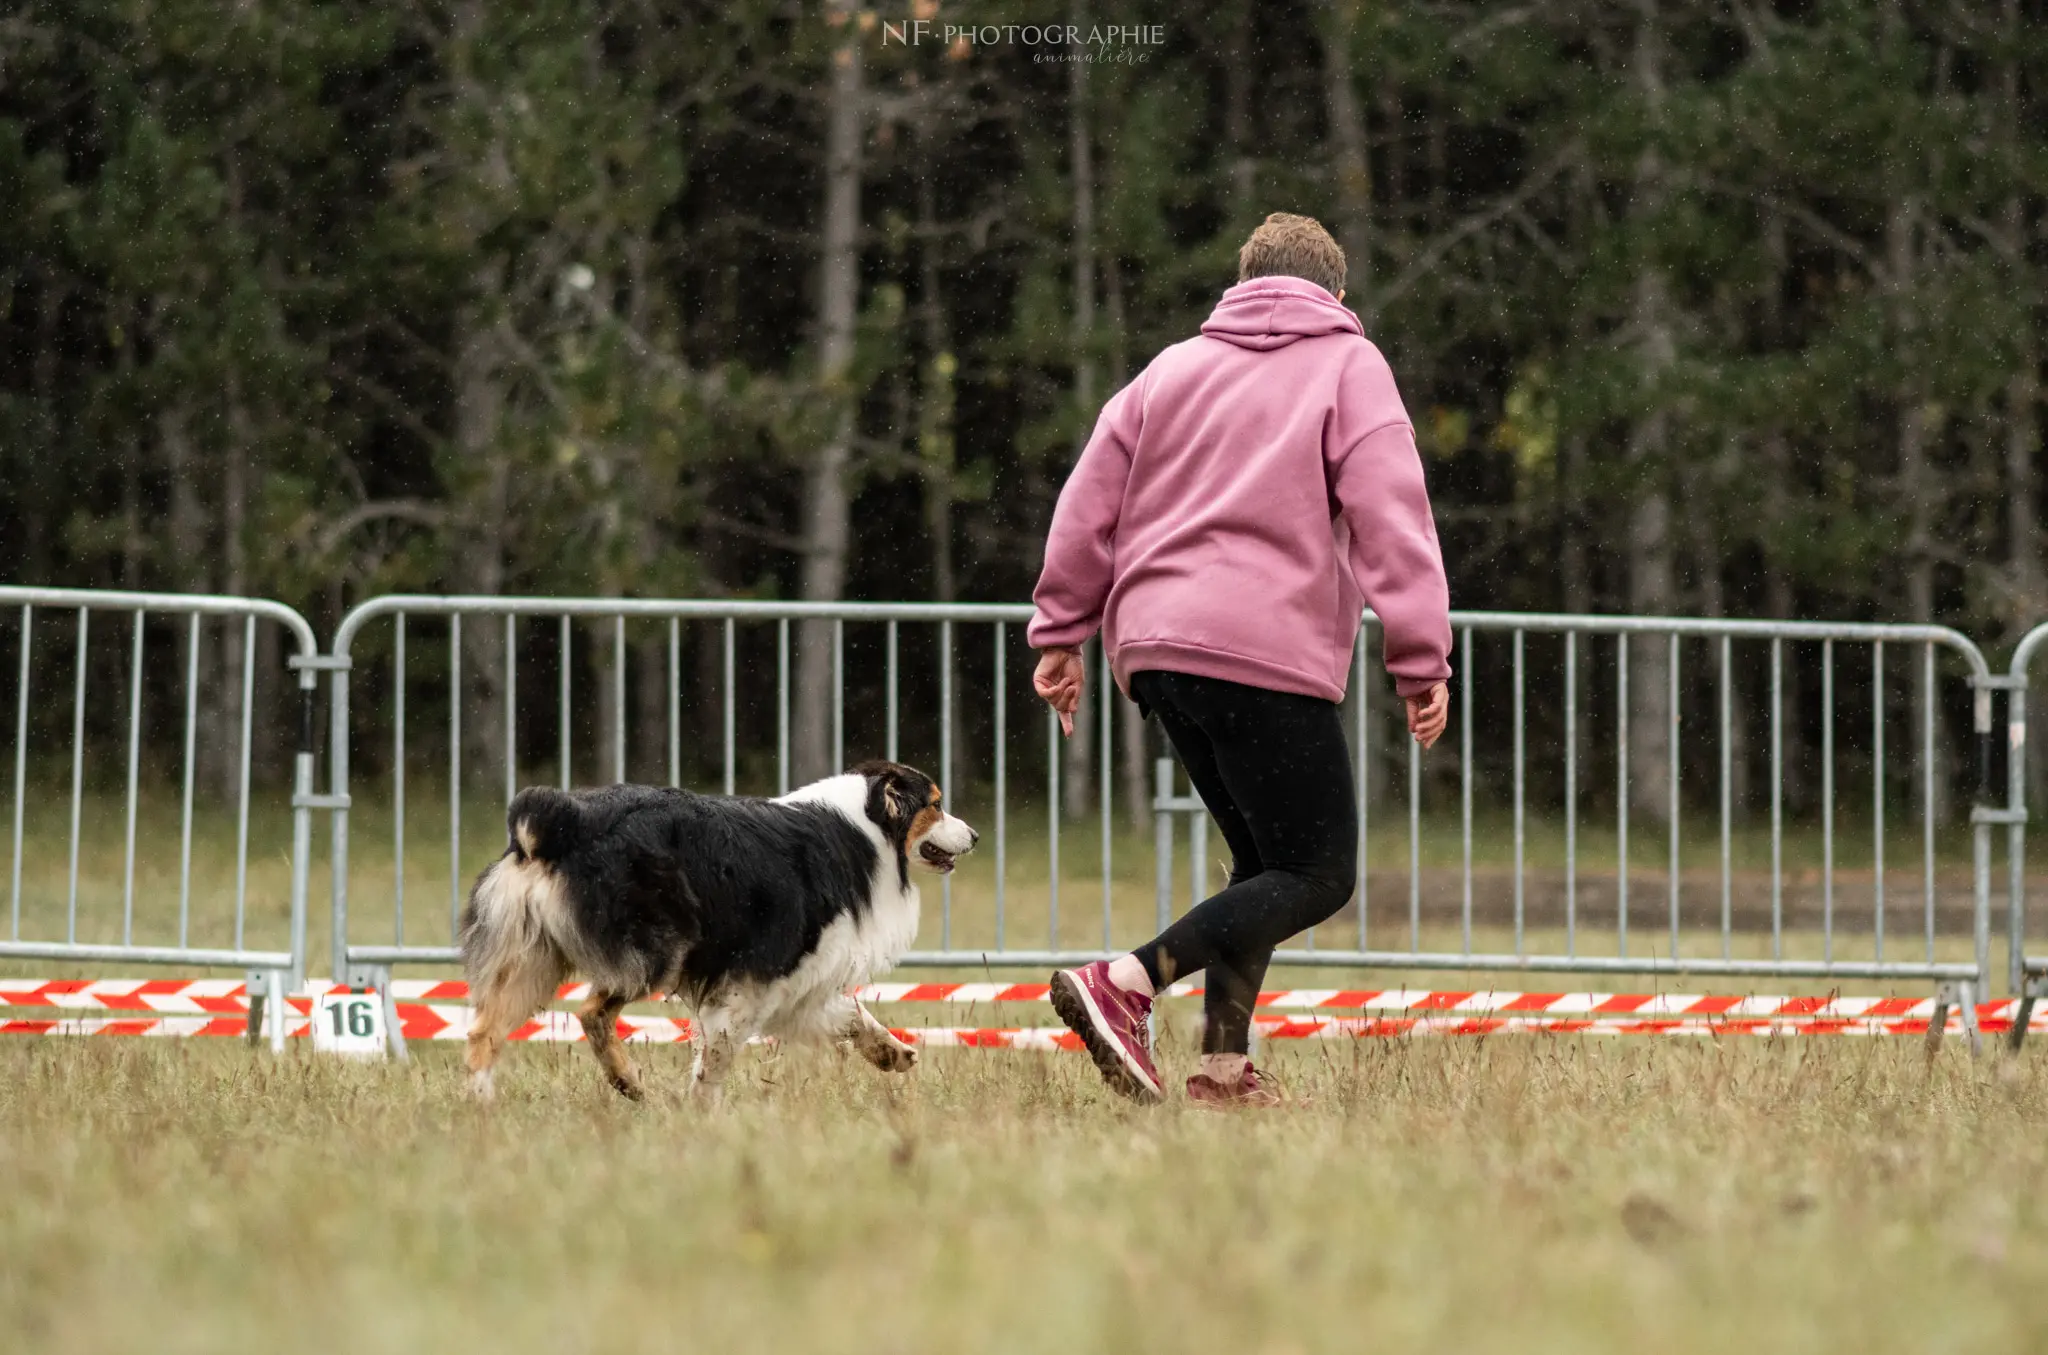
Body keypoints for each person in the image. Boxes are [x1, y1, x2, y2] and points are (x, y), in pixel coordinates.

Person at [1029, 212, 1451, 1107]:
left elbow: (1084, 505)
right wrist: (1422, 658)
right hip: (1262, 648)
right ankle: (1127, 982)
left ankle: (1223, 1068)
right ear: (1336, 295)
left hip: (1156, 652)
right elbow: (1394, 516)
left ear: (1241, 284)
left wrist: (1061, 631)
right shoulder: (1348, 363)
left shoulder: (1169, 370)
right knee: (1317, 872)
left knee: (1262, 864)